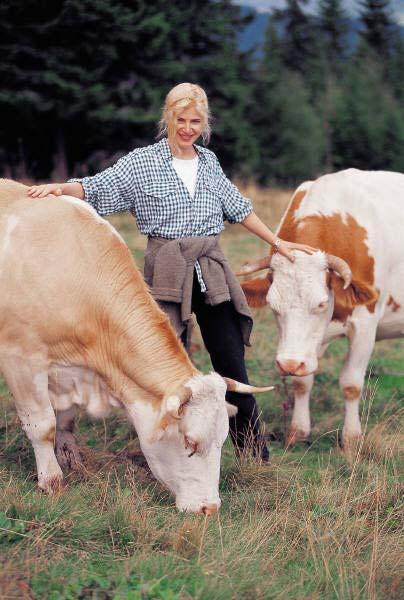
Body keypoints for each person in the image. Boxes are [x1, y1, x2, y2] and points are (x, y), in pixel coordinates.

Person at [28, 82, 315, 461]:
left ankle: (252, 453)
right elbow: (97, 188)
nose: (188, 128)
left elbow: (239, 206)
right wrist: (57, 189)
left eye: (195, 121)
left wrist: (278, 243)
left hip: (211, 269)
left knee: (231, 361)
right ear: (169, 118)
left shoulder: (209, 162)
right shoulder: (142, 161)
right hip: (165, 268)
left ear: (204, 123)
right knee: (163, 365)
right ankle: (171, 454)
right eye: (181, 119)